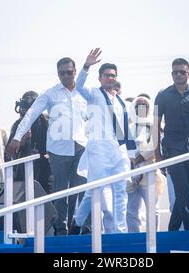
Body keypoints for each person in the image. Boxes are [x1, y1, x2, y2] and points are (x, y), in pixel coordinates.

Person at [6, 57, 88, 236]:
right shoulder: (50, 93)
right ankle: (61, 229)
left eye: (69, 72)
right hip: (59, 150)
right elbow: (31, 114)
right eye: (62, 73)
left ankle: (82, 227)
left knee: (83, 189)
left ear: (75, 72)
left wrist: (87, 67)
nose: (66, 75)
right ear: (58, 74)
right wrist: (17, 137)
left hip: (81, 145)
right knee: (61, 192)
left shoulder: (84, 92)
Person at [73, 48, 135, 234]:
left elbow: (125, 129)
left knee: (120, 191)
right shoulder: (94, 94)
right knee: (94, 191)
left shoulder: (121, 101)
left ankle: (119, 231)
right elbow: (79, 87)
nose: (110, 78)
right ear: (100, 78)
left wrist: (131, 154)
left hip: (119, 152)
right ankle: (77, 223)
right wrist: (86, 66)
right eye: (106, 75)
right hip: (99, 150)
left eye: (113, 75)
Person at [154, 58, 189, 231]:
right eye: (175, 72)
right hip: (172, 148)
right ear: (172, 74)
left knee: (183, 193)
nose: (178, 75)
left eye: (182, 72)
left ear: (188, 74)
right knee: (181, 189)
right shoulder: (162, 95)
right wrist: (157, 152)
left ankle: (172, 231)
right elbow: (155, 124)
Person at [126, 96, 165, 232]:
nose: (141, 109)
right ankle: (134, 239)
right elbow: (123, 147)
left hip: (148, 172)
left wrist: (137, 160)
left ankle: (154, 238)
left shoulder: (154, 125)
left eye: (144, 106)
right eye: (138, 106)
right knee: (131, 210)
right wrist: (131, 163)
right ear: (134, 108)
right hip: (130, 172)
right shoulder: (128, 127)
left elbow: (153, 146)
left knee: (152, 209)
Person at [6, 91, 52, 194]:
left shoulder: (47, 121)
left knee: (48, 201)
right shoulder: (18, 125)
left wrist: (50, 154)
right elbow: (8, 154)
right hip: (23, 170)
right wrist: (22, 140)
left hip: (44, 169)